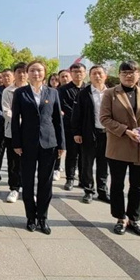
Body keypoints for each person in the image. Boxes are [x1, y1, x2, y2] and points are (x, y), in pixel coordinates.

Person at [100, 60, 140, 237]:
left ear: (138, 74)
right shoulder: (111, 94)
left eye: (132, 72)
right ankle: (120, 218)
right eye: (124, 73)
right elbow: (104, 118)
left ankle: (134, 219)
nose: (128, 76)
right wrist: (125, 130)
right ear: (119, 75)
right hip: (119, 145)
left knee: (137, 186)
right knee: (117, 184)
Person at [12, 60, 65, 235]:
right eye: (32, 70)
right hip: (27, 143)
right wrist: (16, 143)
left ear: (45, 73)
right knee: (27, 181)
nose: (36, 73)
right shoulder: (20, 93)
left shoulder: (53, 92)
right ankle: (30, 217)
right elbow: (15, 120)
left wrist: (61, 144)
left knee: (46, 182)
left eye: (39, 70)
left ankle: (43, 217)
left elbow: (58, 120)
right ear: (27, 73)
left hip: (49, 143)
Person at [71, 65, 110, 204]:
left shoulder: (111, 93)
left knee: (103, 164)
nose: (97, 76)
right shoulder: (83, 93)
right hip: (89, 134)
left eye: (100, 73)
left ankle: (102, 190)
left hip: (107, 134)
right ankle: (88, 190)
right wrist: (76, 132)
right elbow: (76, 114)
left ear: (105, 76)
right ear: (90, 76)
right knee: (87, 164)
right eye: (94, 74)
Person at [1, 62, 28, 203]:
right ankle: (14, 188)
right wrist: (21, 121)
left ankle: (27, 188)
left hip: (30, 132)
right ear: (14, 74)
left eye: (24, 72)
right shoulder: (8, 91)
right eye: (19, 72)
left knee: (28, 161)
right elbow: (6, 111)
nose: (22, 75)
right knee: (13, 161)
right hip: (12, 131)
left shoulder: (33, 90)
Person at [59, 63, 87, 191]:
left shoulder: (88, 89)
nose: (78, 74)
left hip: (86, 127)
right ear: (71, 73)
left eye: (80, 71)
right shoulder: (63, 90)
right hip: (70, 126)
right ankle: (70, 178)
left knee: (84, 154)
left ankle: (83, 179)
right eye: (75, 71)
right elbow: (65, 107)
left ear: (85, 73)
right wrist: (78, 117)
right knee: (72, 153)